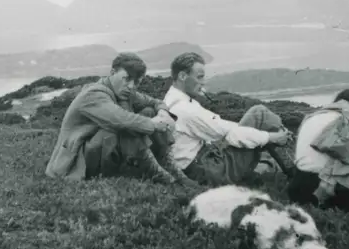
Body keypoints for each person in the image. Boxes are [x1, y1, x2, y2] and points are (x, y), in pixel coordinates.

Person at [43, 52, 195, 186]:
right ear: (112, 72)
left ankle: (167, 164)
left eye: (136, 82)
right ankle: (157, 172)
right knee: (125, 126)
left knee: (148, 111)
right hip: (76, 162)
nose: (131, 86)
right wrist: (154, 124)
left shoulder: (124, 92)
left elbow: (154, 102)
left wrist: (163, 113)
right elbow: (121, 120)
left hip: (99, 153)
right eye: (126, 79)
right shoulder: (94, 94)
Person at [162, 51, 297, 187]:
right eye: (199, 77)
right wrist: (273, 137)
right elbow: (232, 134)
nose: (203, 83)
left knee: (256, 122)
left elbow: (220, 128)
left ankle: (287, 165)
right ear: (182, 76)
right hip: (207, 170)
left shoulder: (172, 99)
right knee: (259, 113)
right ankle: (296, 174)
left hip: (199, 164)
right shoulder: (185, 109)